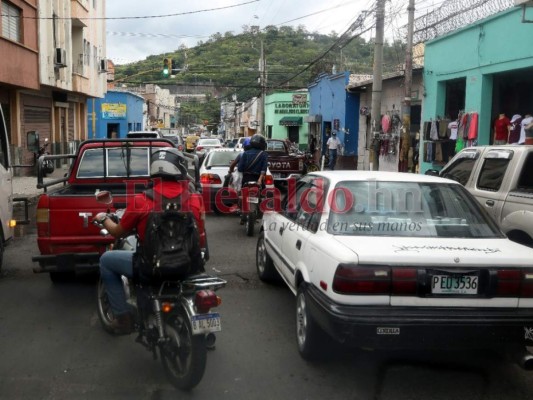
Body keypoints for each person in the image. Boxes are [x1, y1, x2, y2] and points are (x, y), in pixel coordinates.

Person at [95, 148, 204, 335]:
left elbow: (117, 233)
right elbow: (199, 234)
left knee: (106, 260)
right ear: (181, 168)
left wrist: (104, 218)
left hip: (151, 268)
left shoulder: (141, 201)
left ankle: (123, 318)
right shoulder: (194, 199)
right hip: (187, 266)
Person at [237, 134, 268, 224]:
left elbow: (240, 168)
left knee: (242, 195)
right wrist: (259, 179)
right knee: (263, 196)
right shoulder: (263, 154)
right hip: (258, 179)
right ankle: (259, 211)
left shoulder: (246, 153)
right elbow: (264, 168)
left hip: (246, 179)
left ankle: (243, 212)